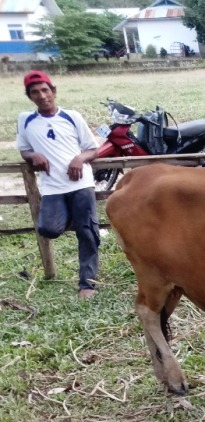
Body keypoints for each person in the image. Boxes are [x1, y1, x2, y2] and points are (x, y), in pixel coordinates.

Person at [16, 70, 100, 299]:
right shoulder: (26, 120)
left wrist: (79, 158)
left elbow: (93, 148)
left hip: (81, 184)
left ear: (53, 91)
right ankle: (81, 219)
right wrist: (33, 155)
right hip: (53, 187)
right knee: (48, 228)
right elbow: (23, 148)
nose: (42, 95)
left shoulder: (72, 116)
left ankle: (87, 284)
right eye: (35, 92)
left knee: (87, 235)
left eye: (45, 90)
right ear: (29, 96)